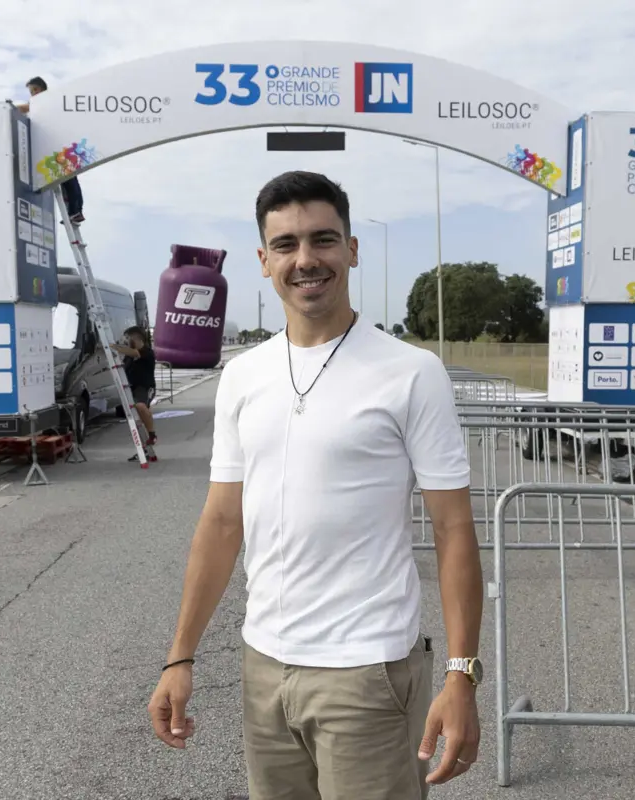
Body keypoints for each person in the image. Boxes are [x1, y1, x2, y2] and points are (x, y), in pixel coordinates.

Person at [146, 170, 484, 799]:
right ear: (264, 260)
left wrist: (461, 675)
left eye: (324, 240)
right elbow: (223, 523)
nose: (306, 259)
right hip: (264, 666)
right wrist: (180, 654)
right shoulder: (244, 377)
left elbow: (453, 527)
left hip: (369, 673)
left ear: (352, 250)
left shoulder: (411, 373)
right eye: (287, 245)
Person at [17, 76, 85, 224]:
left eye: (36, 89)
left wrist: (12, 108)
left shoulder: (45, 100)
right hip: (59, 145)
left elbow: (26, 108)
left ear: (43, 89)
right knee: (67, 180)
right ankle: (74, 211)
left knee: (69, 179)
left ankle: (76, 211)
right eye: (31, 91)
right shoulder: (42, 102)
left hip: (61, 145)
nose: (33, 93)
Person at [110, 326, 157, 458]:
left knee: (141, 406)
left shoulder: (147, 352)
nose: (125, 341)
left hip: (146, 387)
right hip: (132, 388)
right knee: (136, 421)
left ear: (136, 339)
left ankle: (152, 435)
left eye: (128, 339)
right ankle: (143, 451)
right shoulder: (128, 357)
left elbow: (135, 353)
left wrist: (112, 346)